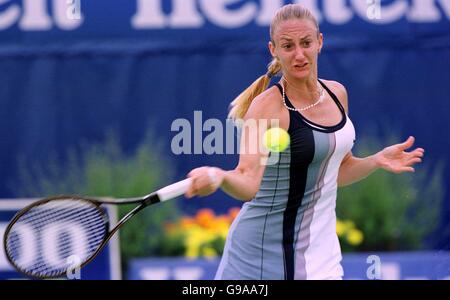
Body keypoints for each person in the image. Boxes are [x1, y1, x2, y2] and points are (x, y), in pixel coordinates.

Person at [184, 4, 424, 280]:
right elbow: (248, 182)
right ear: (273, 50)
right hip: (259, 260)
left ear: (319, 42)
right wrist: (218, 177)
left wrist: (375, 161)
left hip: (321, 258)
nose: (299, 54)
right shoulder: (267, 108)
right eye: (288, 46)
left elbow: (335, 171)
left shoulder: (337, 94)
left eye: (306, 43)